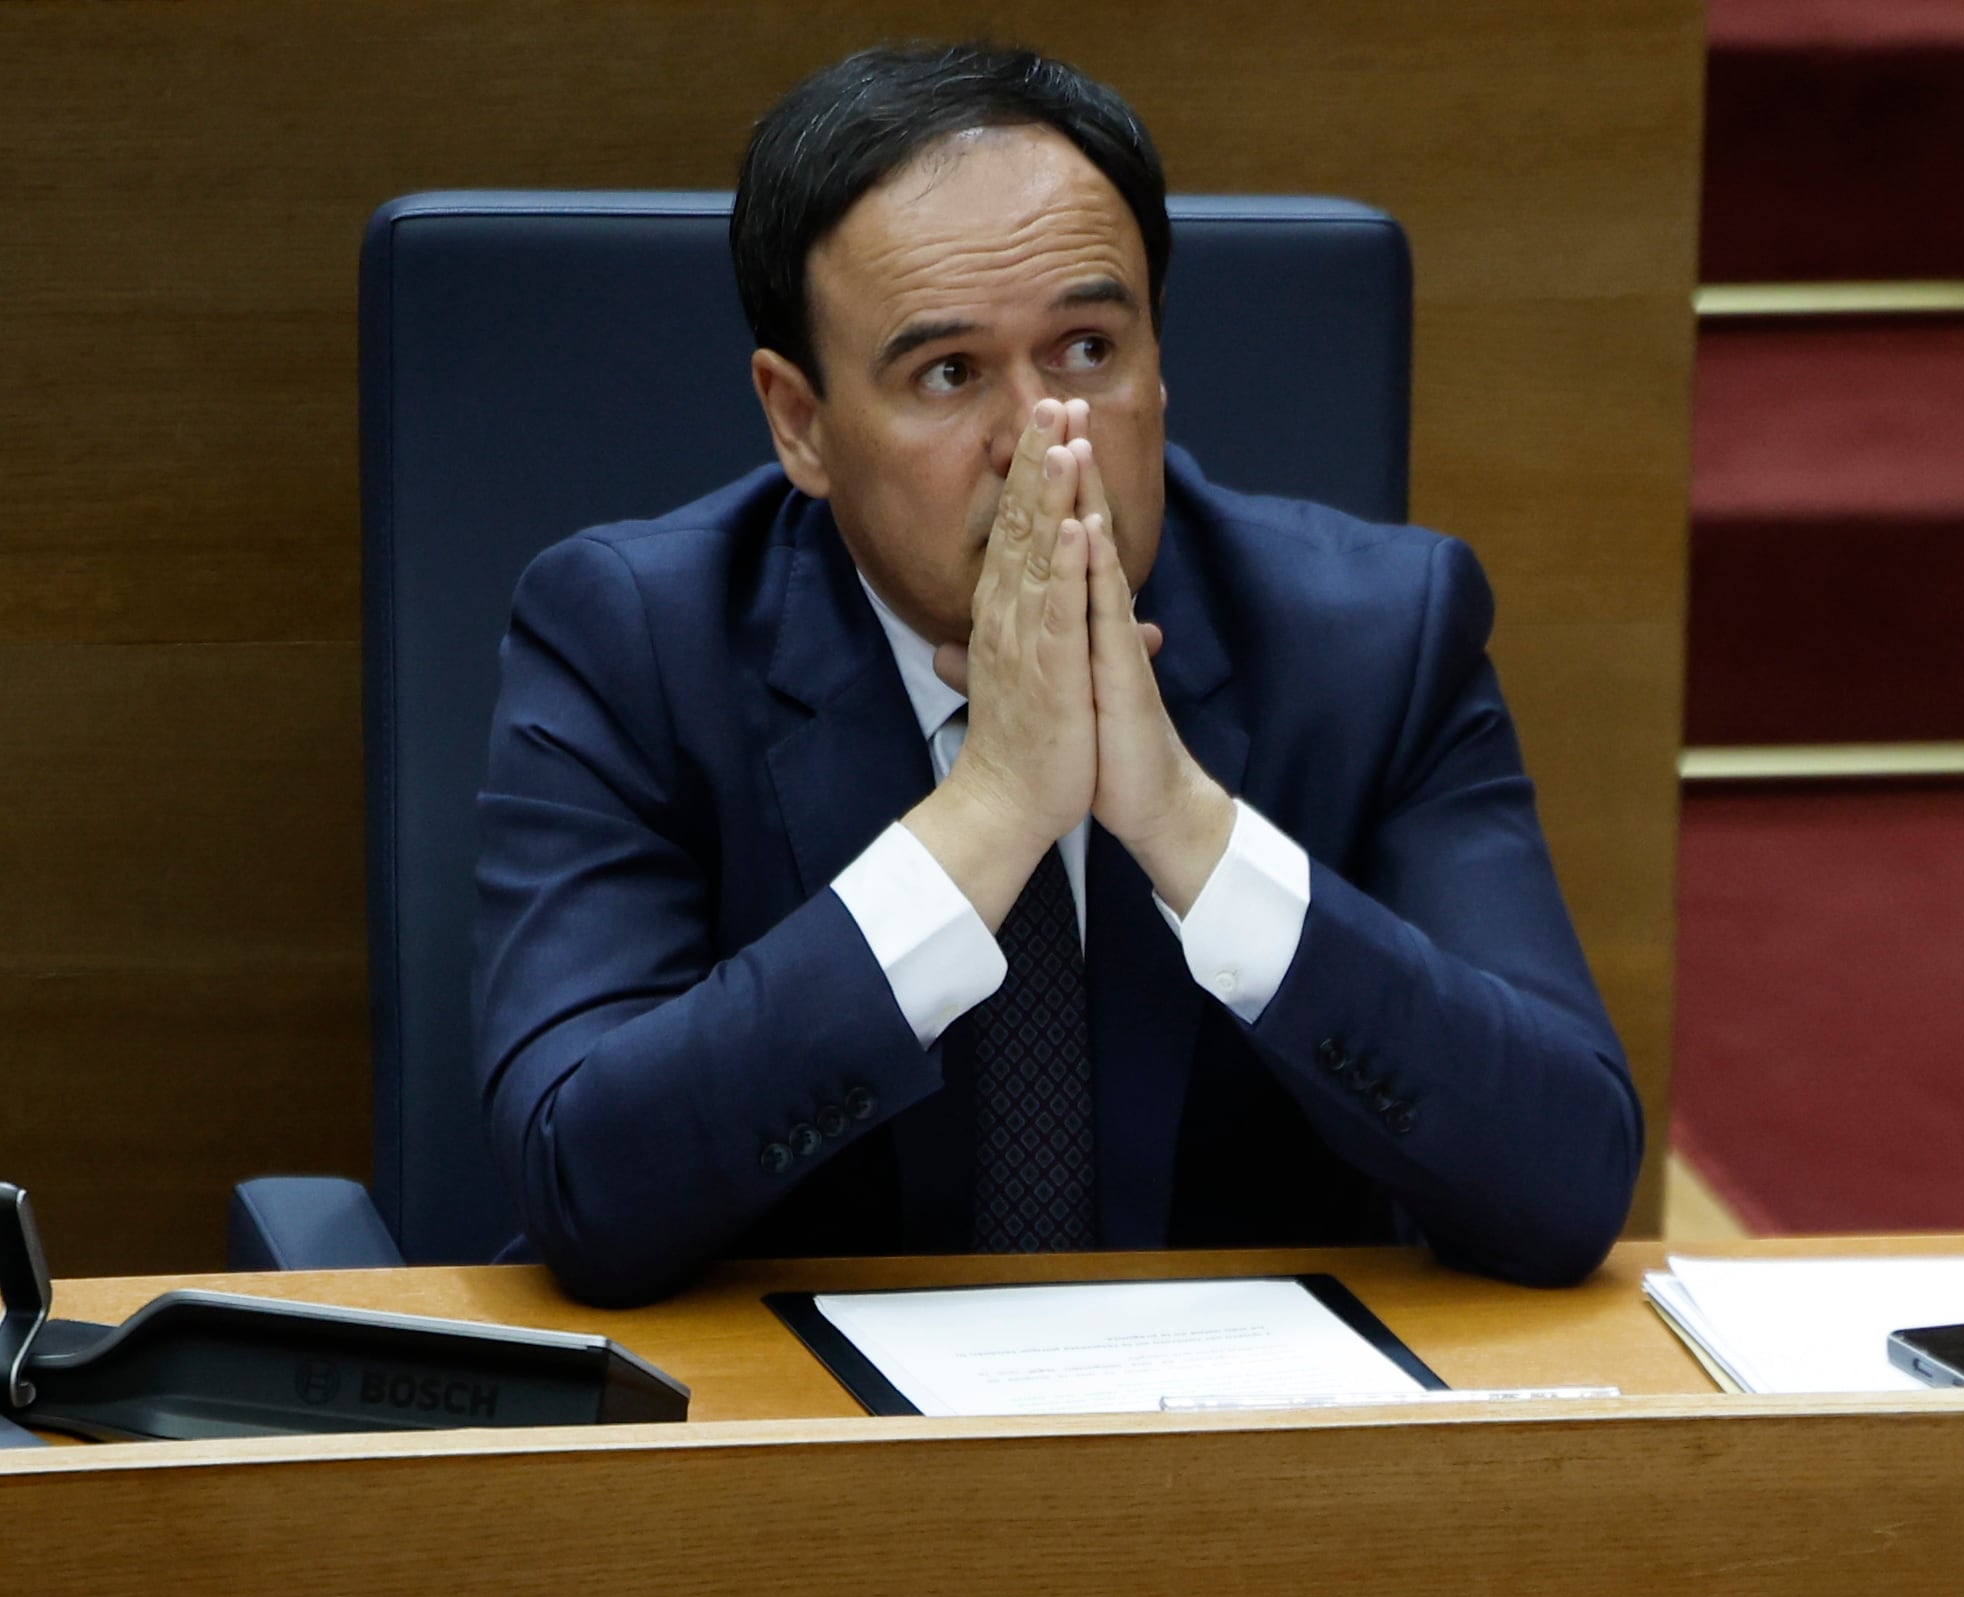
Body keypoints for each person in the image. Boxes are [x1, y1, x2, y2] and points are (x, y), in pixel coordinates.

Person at [474, 44, 1642, 1307]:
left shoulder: (1374, 639)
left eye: (1086, 349)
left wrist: (1185, 827)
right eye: (948, 373)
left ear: (1157, 364)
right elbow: (586, 1190)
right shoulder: (636, 643)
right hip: (788, 1414)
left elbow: (1567, 1185)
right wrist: (988, 815)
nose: (1040, 437)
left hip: (1233, 1415)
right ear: (799, 422)